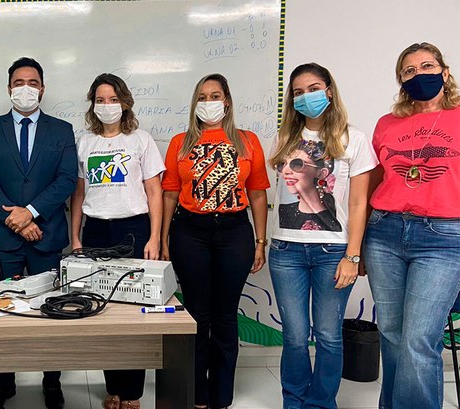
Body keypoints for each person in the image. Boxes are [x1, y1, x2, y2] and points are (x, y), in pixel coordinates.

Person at [268, 63, 377, 409]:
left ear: (329, 90)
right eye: (298, 92)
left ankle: (320, 403)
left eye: (313, 88)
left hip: (333, 250)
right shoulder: (284, 137)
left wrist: (353, 255)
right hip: (285, 250)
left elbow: (360, 202)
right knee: (296, 337)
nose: (306, 97)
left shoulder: (352, 138)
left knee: (329, 337)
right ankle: (295, 400)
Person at [160, 73, 269, 409]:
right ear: (195, 104)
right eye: (202, 96)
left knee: (225, 315)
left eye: (215, 95)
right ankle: (197, 394)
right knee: (196, 314)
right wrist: (163, 239)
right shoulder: (181, 142)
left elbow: (258, 194)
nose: (209, 102)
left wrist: (260, 241)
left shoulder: (247, 141)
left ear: (227, 101)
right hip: (189, 232)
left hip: (234, 232)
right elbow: (169, 195)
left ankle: (221, 395)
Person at [0, 57, 76, 409]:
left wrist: (30, 213)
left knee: (52, 310)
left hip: (47, 236)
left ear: (43, 88)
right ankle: (4, 381)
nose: (26, 88)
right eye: (19, 82)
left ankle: (52, 380)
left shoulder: (61, 130)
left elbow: (65, 180)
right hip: (3, 239)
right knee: (4, 311)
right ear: (8, 88)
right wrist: (14, 219)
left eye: (33, 82)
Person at [363, 42, 460, 409]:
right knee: (391, 333)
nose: (419, 74)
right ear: (401, 81)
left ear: (445, 72)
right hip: (385, 232)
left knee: (419, 338)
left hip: (443, 238)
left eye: (427, 66)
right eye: (409, 70)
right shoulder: (387, 124)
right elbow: (372, 181)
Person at [70, 73, 164, 409]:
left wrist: (154, 237)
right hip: (95, 229)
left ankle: (133, 393)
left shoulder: (141, 139)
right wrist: (75, 237)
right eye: (100, 100)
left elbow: (155, 192)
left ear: (124, 102)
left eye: (113, 99)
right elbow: (78, 194)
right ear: (92, 106)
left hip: (133, 228)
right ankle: (113, 385)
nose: (106, 106)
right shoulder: (85, 142)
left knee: (132, 309)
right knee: (103, 307)